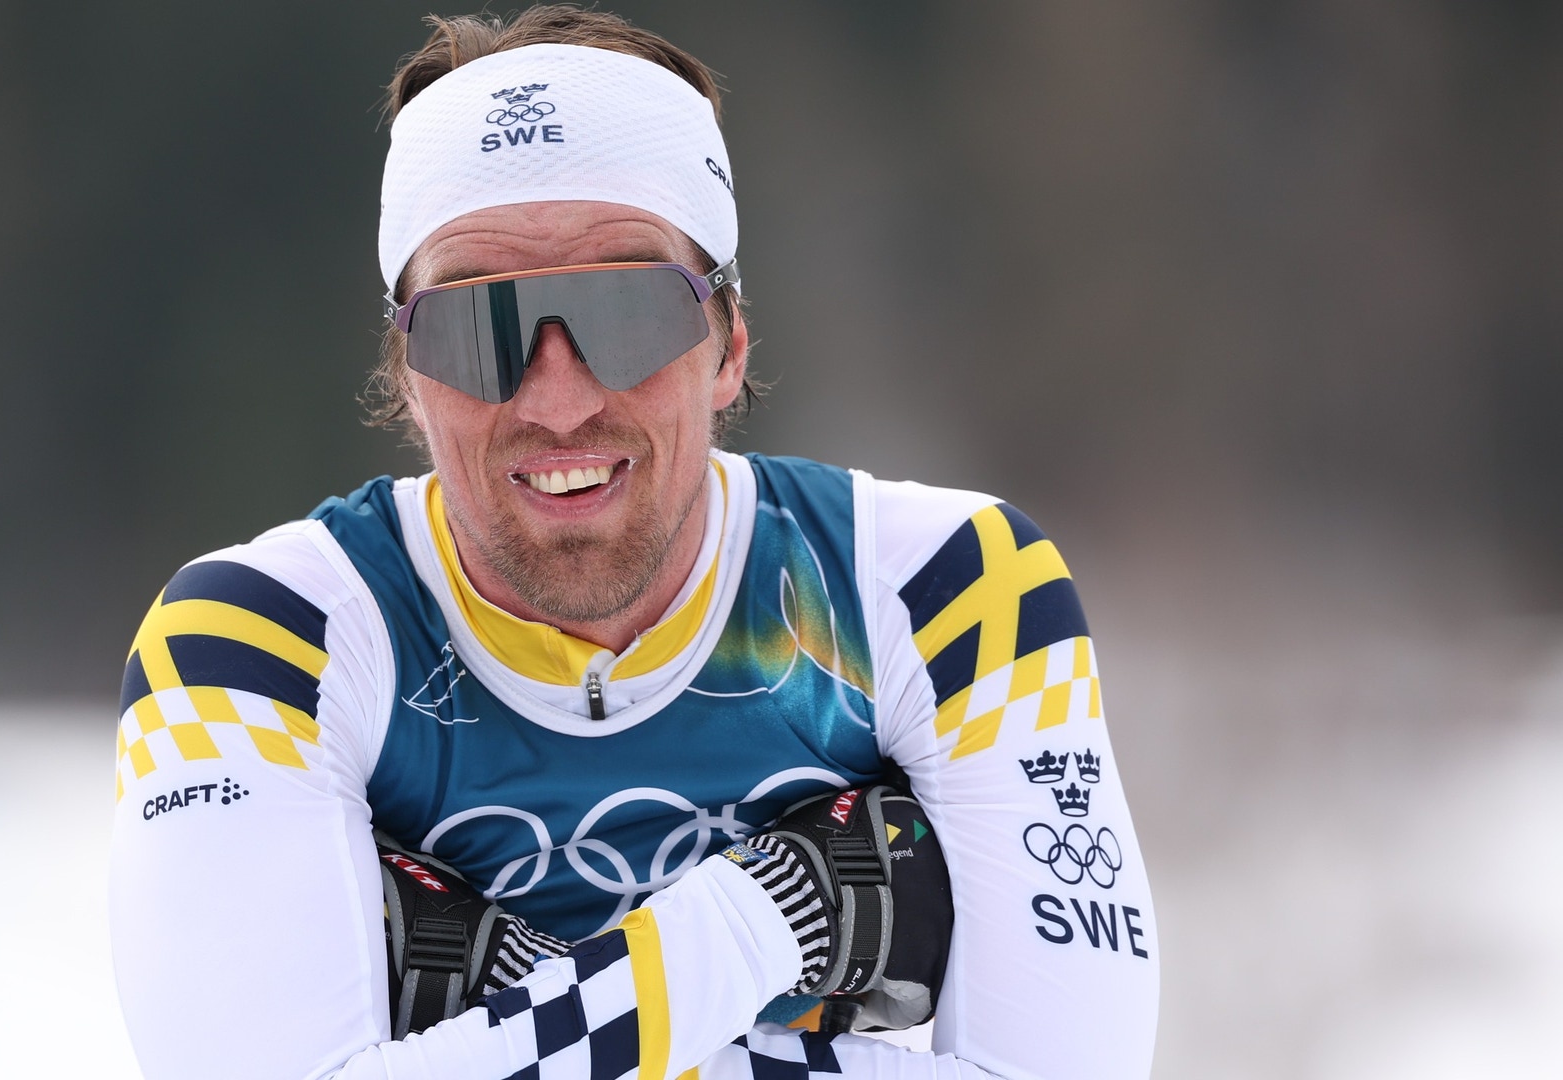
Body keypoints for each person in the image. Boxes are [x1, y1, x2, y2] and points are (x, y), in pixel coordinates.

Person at [108, 7, 1158, 1079]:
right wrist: (769, 921)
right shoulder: (261, 643)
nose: (558, 402)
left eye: (628, 314)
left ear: (727, 346)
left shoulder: (946, 591)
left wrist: (499, 1009)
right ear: (407, 378)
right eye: (477, 328)